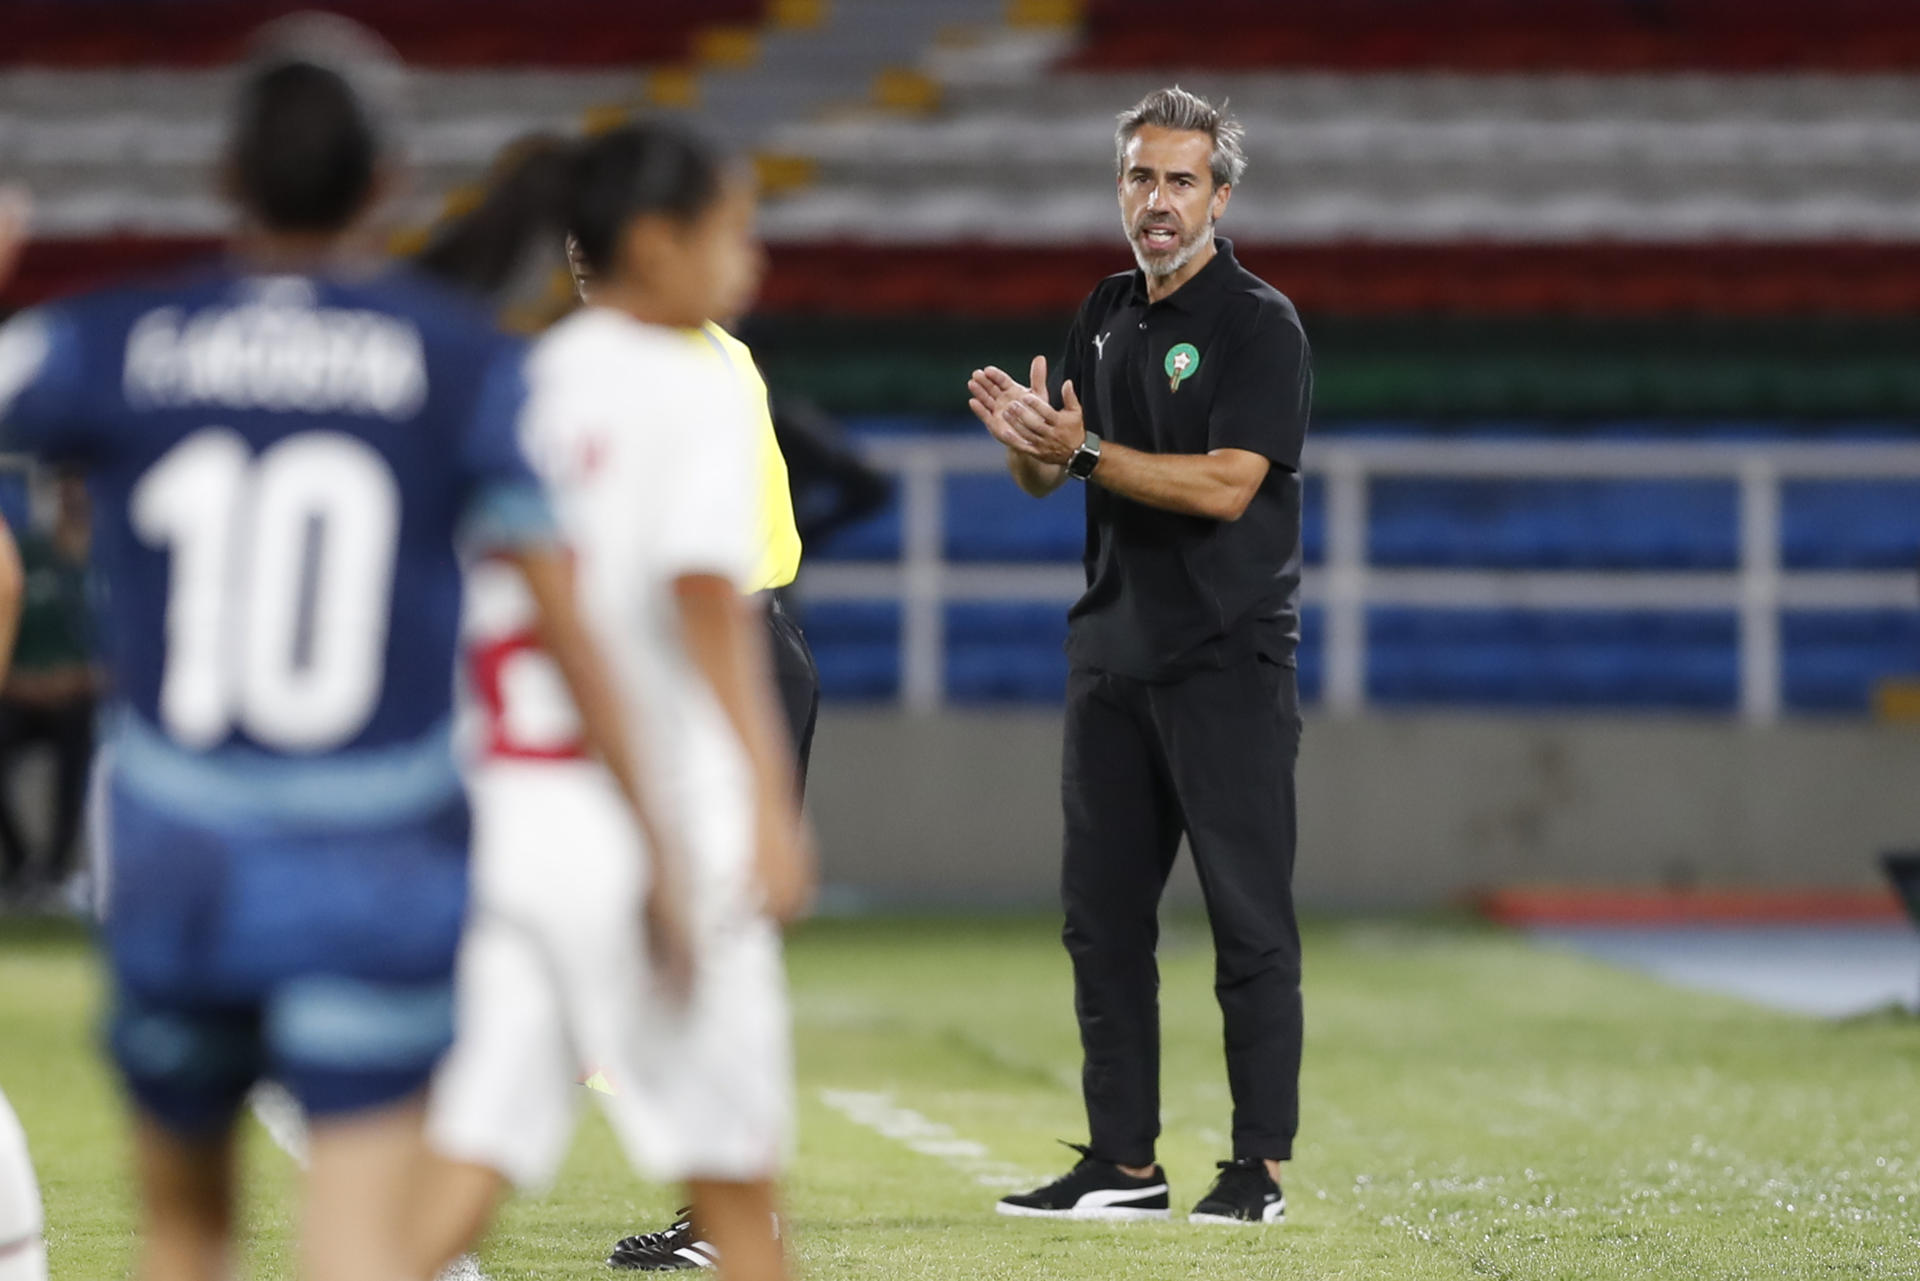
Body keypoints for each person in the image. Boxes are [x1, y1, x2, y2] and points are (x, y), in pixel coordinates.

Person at [0, 21, 686, 1281]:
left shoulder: (118, 338)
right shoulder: (460, 362)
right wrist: (657, 837)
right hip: (370, 861)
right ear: (388, 180)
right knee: (362, 1248)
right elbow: (564, 617)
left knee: (183, 1241)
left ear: (226, 179)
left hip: (174, 849)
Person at [416, 122, 813, 1281]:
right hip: (653, 813)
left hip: (512, 813)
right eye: (729, 229)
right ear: (653, 242)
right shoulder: (692, 372)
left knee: (468, 1163)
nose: (749, 261)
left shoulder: (520, 381)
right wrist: (768, 812)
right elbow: (705, 594)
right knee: (739, 1179)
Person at [967, 86, 1312, 1226]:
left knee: (1247, 921)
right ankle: (1124, 1166)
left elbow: (1227, 484)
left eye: (1178, 180)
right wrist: (1030, 444)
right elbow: (1057, 470)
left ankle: (1255, 1170)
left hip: (1225, 661)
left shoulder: (1260, 323)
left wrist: (1086, 453)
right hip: (1111, 657)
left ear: (1221, 195)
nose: (1155, 201)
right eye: (1139, 178)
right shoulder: (1106, 309)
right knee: (1101, 920)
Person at [0, 472, 101, 906]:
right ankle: (21, 867)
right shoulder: (31, 552)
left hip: (82, 700)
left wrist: (79, 679)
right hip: (20, 693)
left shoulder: (111, 560)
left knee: (80, 737)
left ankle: (58, 872)